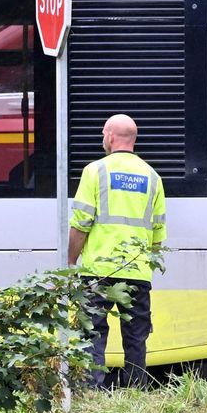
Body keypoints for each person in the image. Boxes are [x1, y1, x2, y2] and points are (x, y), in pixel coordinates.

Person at [68, 114, 166, 389]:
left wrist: (70, 260)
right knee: (136, 336)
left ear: (110, 137)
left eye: (103, 135)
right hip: (137, 271)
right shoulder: (152, 176)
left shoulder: (95, 171)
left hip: (98, 271)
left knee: (93, 333)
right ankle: (136, 393)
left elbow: (81, 224)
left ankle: (93, 391)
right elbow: (158, 234)